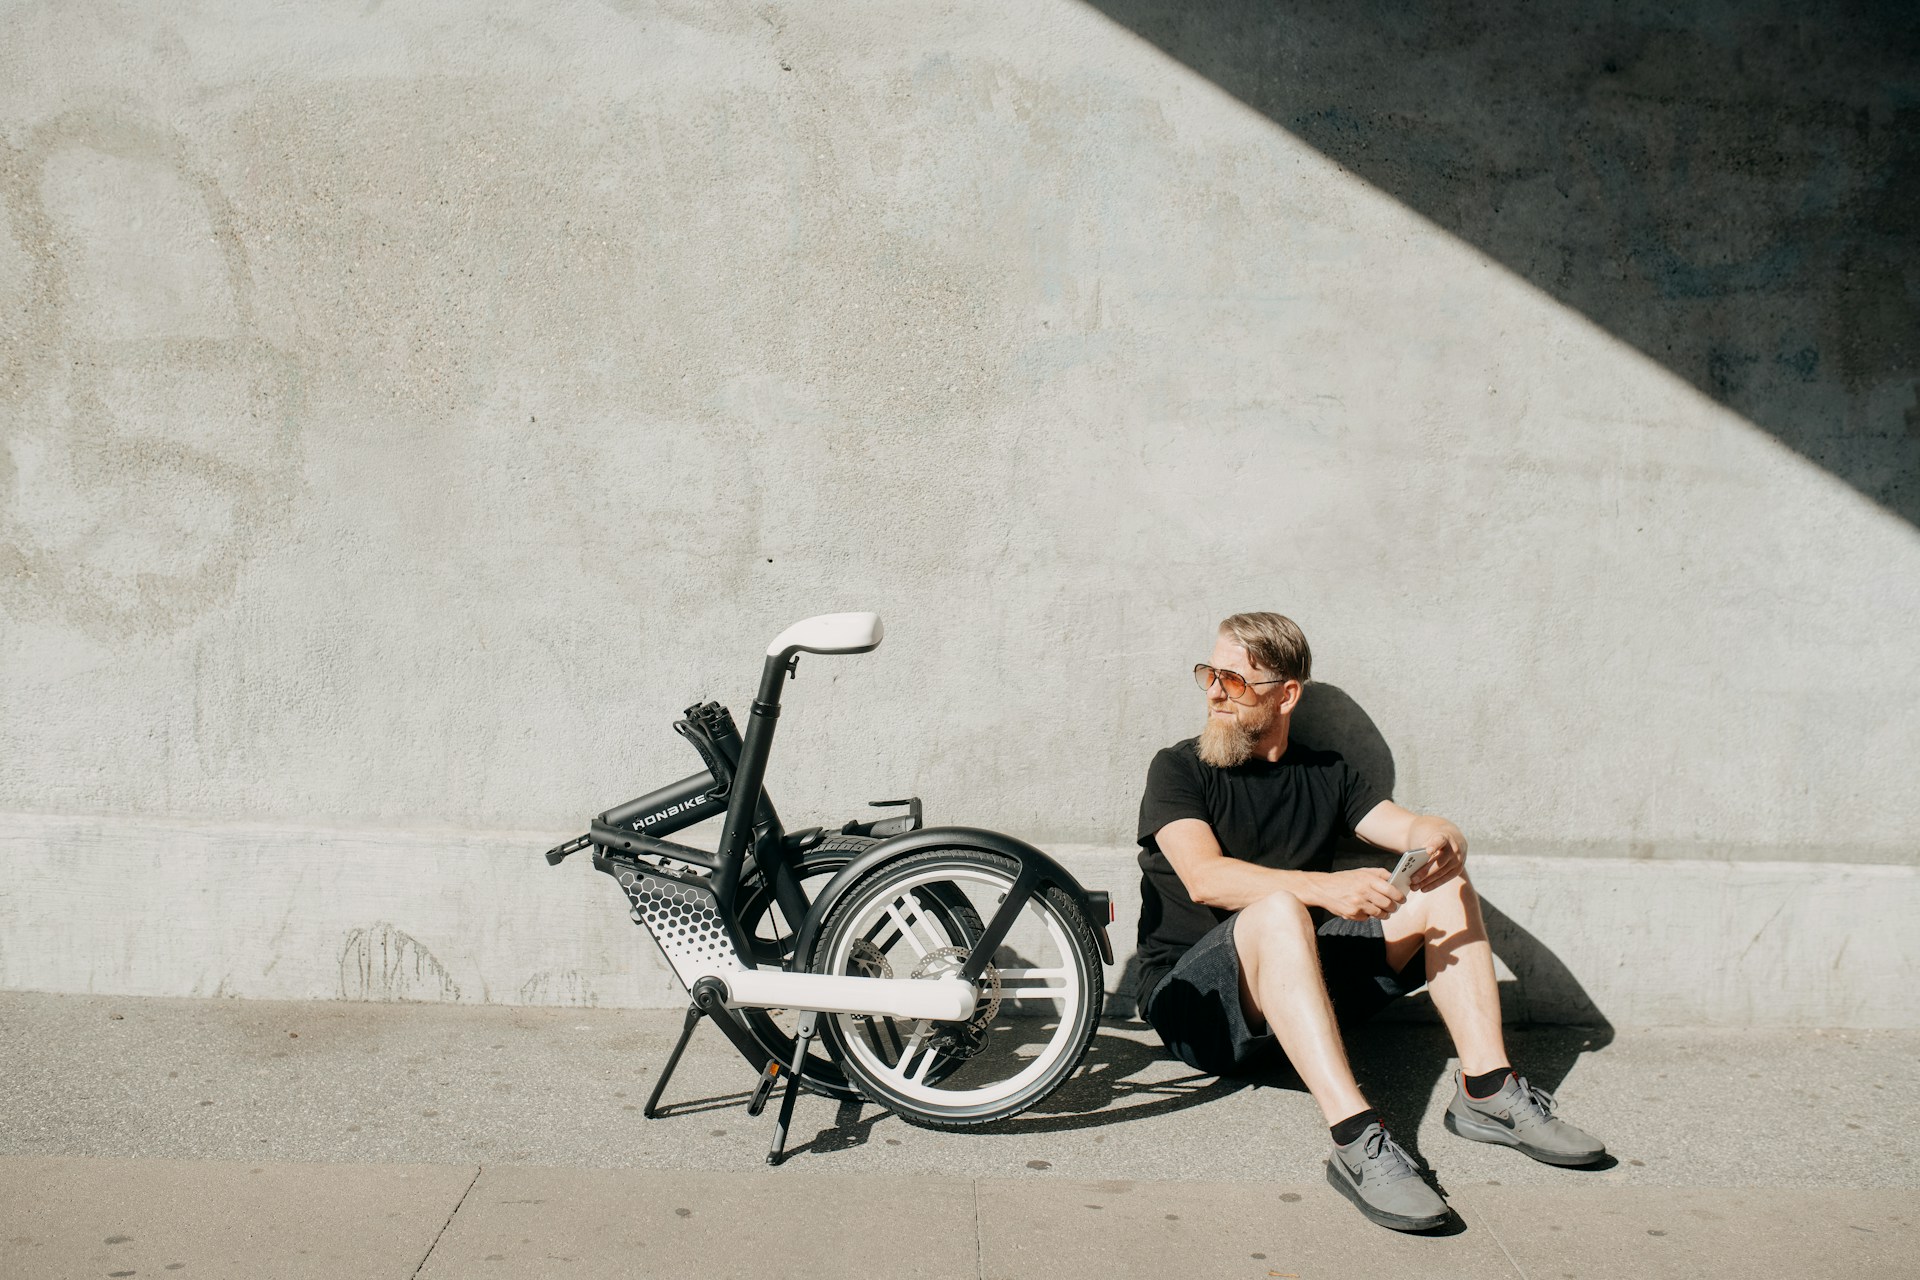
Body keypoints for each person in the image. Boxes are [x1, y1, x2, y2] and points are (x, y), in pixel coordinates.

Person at [1136, 612, 1605, 1232]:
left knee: (1445, 886)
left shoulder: (1326, 773)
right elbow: (1205, 877)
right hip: (1198, 1011)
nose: (1215, 692)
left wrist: (1442, 835)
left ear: (1287, 694)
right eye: (1209, 675)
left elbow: (1405, 826)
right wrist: (1325, 890)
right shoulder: (1179, 769)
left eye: (1235, 680)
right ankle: (1356, 1137)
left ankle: (1488, 1090)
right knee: (1276, 909)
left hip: (1298, 995)